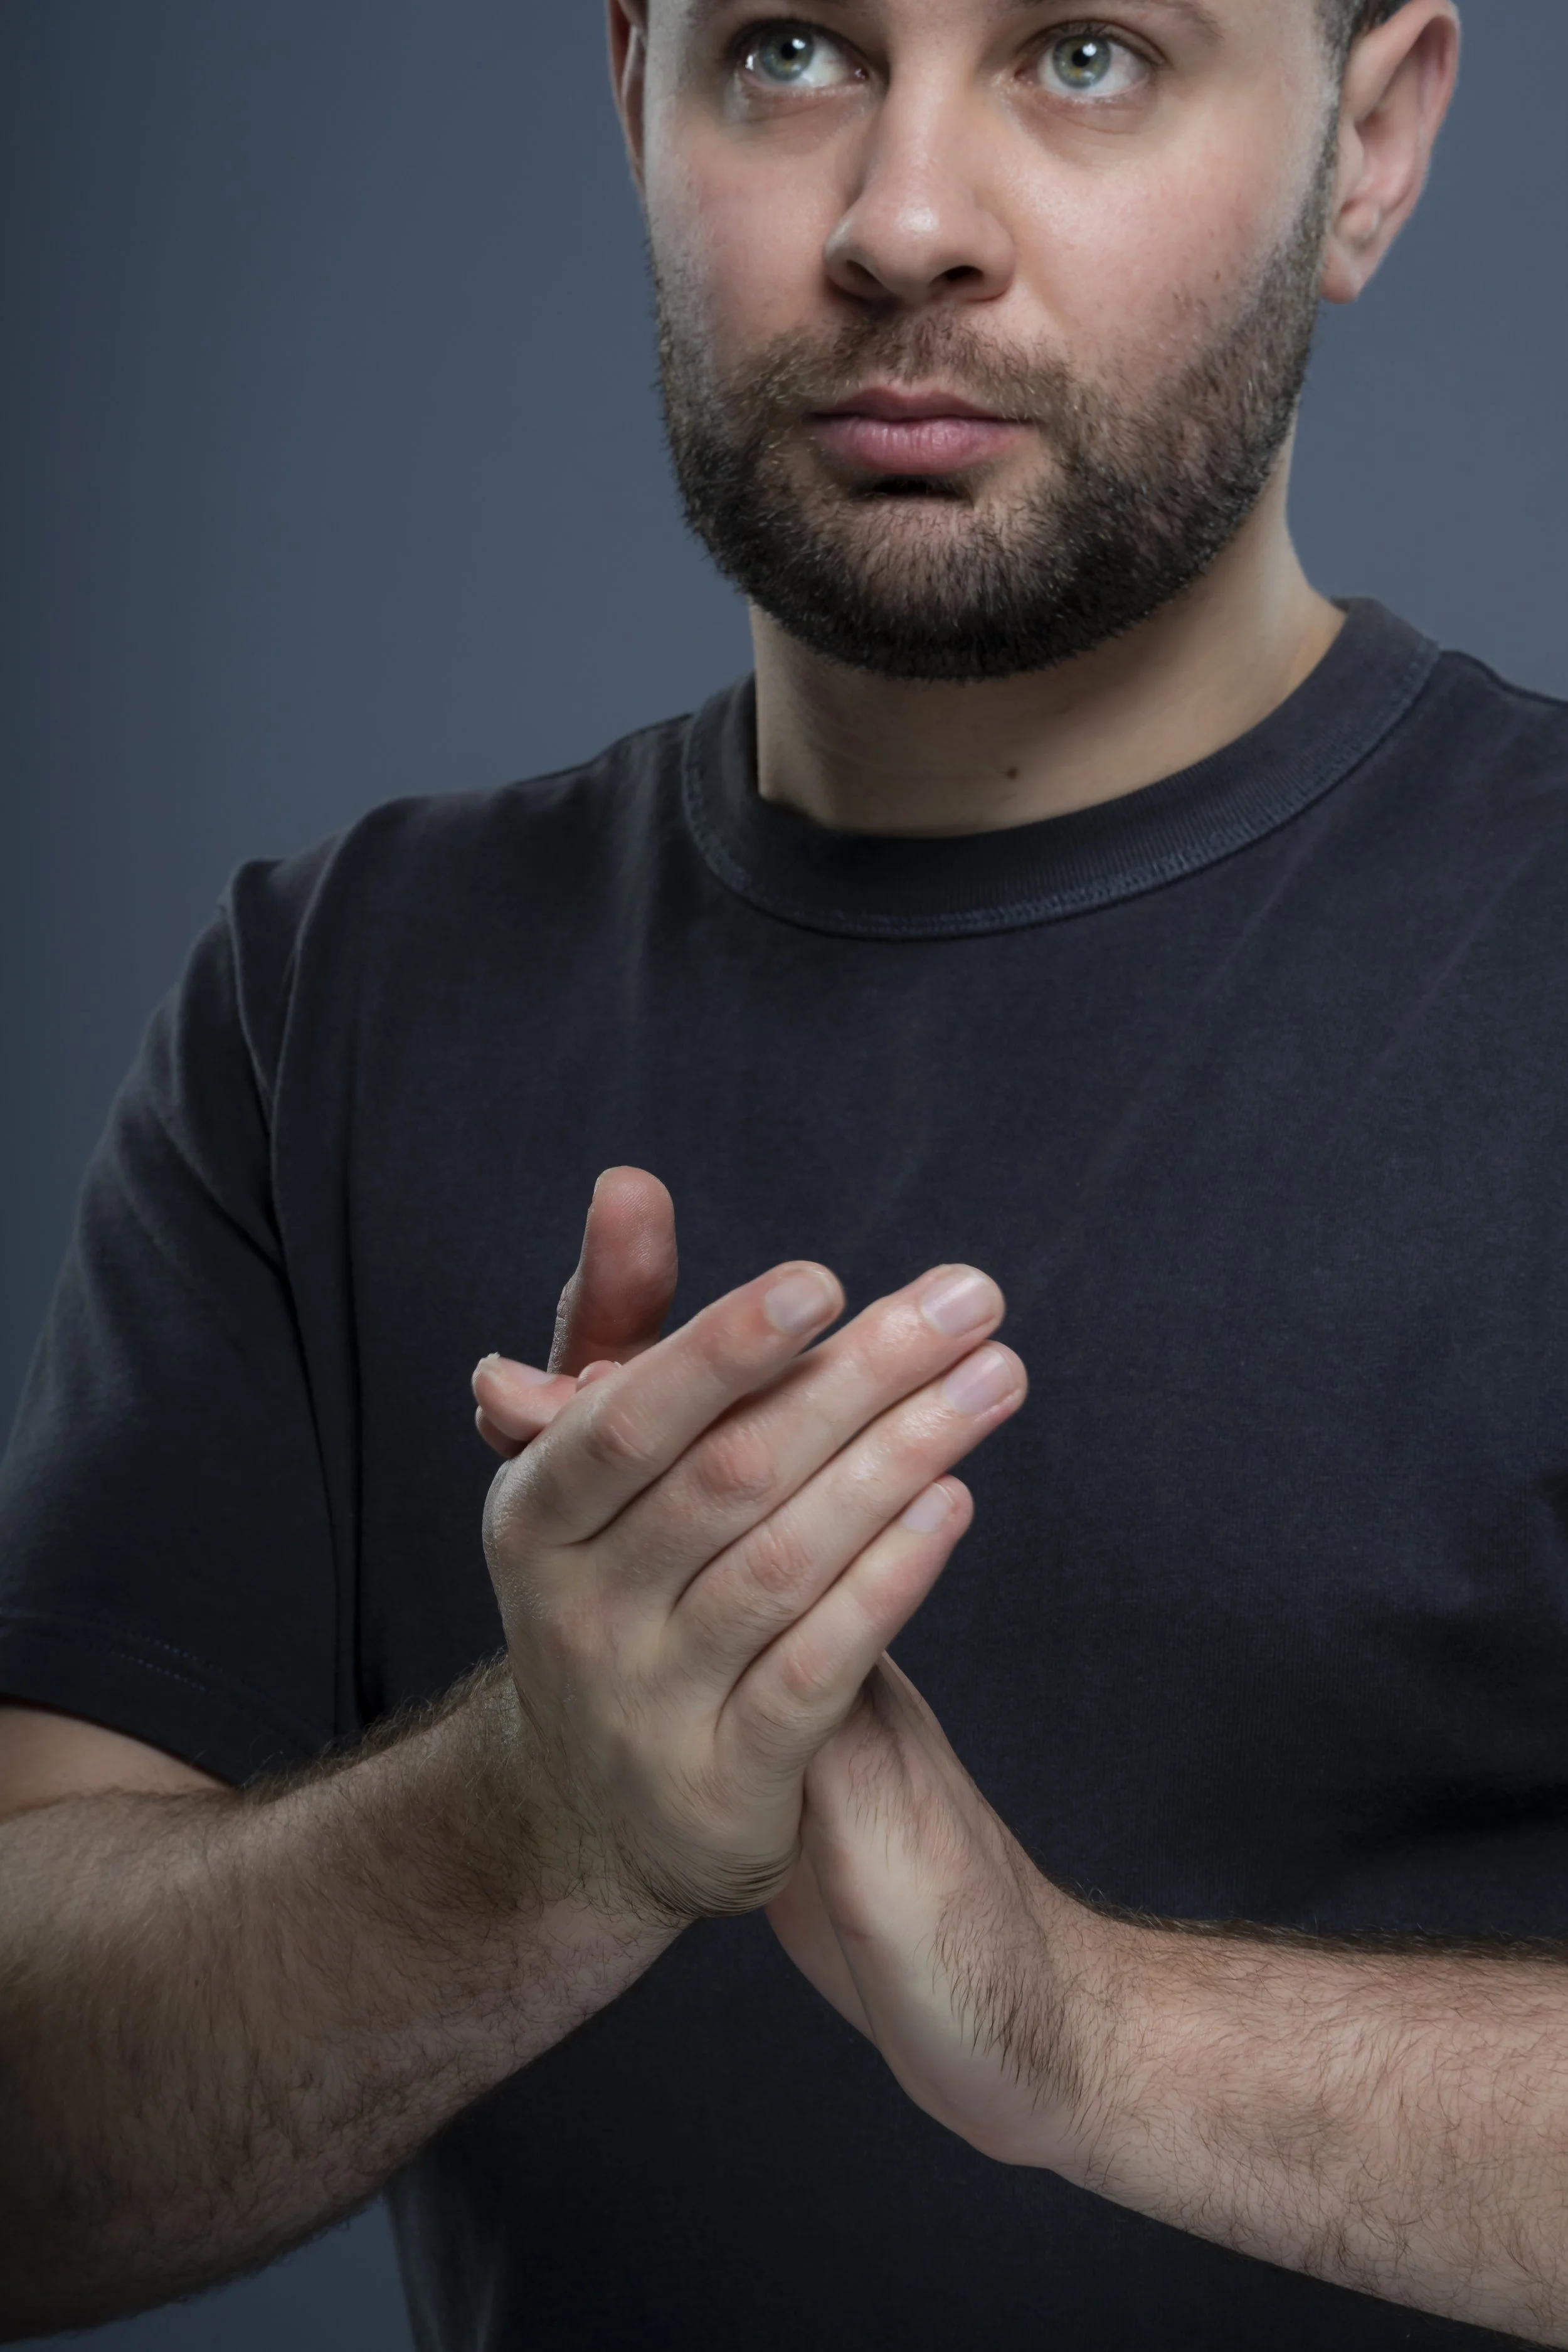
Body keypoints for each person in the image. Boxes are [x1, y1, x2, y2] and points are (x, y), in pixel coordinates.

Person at [11, 0, 1568, 2344]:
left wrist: (1082, 2036)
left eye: (1083, 57)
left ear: (1372, 144)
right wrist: (535, 1820)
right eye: (789, 55)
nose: (901, 224)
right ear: (629, 93)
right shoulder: (324, 994)